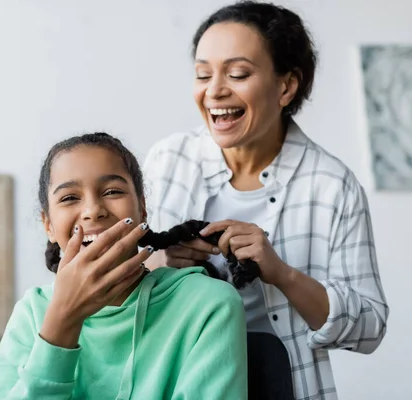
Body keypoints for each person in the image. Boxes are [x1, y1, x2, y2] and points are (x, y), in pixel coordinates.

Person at [142, 2, 389, 399]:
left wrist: (282, 274)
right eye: (203, 74)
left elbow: (369, 326)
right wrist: (159, 263)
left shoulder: (332, 186)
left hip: (278, 384)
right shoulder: (166, 160)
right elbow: (119, 287)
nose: (215, 90)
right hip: (174, 379)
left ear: (286, 86)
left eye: (237, 73)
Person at [0, 132, 248, 399]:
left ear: (142, 208)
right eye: (69, 198)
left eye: (112, 191)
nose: (93, 210)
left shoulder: (208, 305)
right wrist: (63, 320)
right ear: (48, 225)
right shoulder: (32, 313)